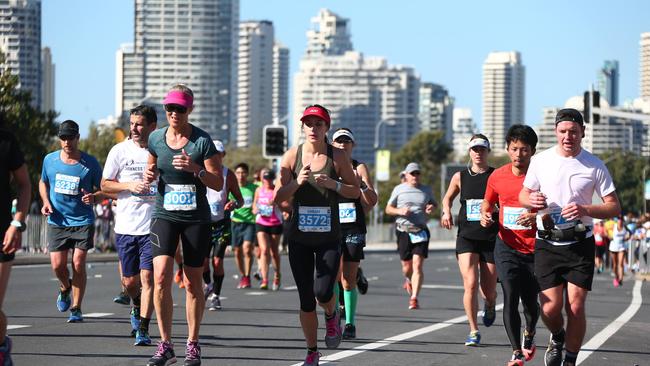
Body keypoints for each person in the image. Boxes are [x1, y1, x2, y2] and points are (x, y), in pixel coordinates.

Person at [519, 108, 620, 366]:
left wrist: (585, 209)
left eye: (573, 132)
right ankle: (557, 336)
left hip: (579, 243)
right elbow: (523, 194)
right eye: (563, 131)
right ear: (556, 132)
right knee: (550, 309)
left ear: (582, 133)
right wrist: (530, 199)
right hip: (547, 242)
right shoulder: (540, 161)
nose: (568, 136)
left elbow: (613, 207)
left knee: (575, 307)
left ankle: (570, 360)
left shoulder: (595, 165)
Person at [143, 85, 224, 366]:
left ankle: (193, 343)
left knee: (192, 283)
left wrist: (195, 169)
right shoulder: (155, 138)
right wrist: (149, 173)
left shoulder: (202, 141)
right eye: (170, 108)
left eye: (179, 108)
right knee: (161, 276)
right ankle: (165, 344)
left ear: (190, 109)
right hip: (164, 214)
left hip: (195, 219)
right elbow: (151, 168)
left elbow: (218, 182)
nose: (174, 113)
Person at [274, 104, 359, 366]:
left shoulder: (338, 157)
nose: (313, 128)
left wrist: (334, 184)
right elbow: (279, 199)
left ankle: (332, 314)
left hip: (328, 237)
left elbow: (355, 192)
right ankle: (312, 351)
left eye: (319, 124)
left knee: (323, 291)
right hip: (299, 237)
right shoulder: (291, 156)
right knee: (306, 299)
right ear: (302, 127)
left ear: (326, 128)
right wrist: (296, 183)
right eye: (309, 123)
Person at [480, 125, 540, 365]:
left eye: (524, 150)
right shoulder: (497, 176)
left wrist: (536, 216)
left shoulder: (541, 176)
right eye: (514, 149)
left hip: (536, 248)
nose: (519, 154)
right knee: (510, 294)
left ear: (533, 151)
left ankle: (530, 332)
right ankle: (516, 352)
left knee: (531, 304)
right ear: (507, 149)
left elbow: (555, 208)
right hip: (506, 245)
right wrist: (486, 216)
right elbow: (487, 204)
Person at [101, 105, 158, 345]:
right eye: (132, 123)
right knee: (130, 282)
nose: (134, 128)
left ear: (152, 126)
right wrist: (129, 186)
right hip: (125, 226)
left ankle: (143, 328)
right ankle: (135, 304)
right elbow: (105, 185)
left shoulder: (161, 150)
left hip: (153, 226)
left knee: (148, 279)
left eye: (139, 124)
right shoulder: (119, 151)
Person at [39, 120, 105, 323]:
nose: (67, 142)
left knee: (78, 263)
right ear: (60, 139)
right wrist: (45, 202)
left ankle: (76, 308)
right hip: (57, 220)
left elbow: (104, 190)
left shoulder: (90, 163)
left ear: (78, 138)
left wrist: (95, 197)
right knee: (58, 266)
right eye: (63, 138)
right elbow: (43, 182)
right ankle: (65, 287)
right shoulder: (50, 160)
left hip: (82, 220)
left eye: (70, 138)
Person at [441, 134, 498, 346]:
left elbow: (507, 200)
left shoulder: (496, 175)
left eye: (482, 149)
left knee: (489, 290)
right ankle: (473, 330)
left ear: (488, 152)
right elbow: (447, 198)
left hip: (491, 237)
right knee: (470, 284)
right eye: (475, 149)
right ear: (469, 152)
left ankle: (490, 304)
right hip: (467, 237)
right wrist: (446, 212)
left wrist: (495, 212)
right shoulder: (460, 177)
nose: (478, 153)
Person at [331, 128, 377, 339]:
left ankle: (350, 323)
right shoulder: (326, 165)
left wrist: (362, 187)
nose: (342, 144)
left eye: (346, 141)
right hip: (330, 227)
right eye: (339, 141)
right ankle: (332, 319)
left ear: (352, 145)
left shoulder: (360, 167)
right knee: (332, 276)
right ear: (332, 144)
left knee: (347, 278)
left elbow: (370, 201)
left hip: (352, 228)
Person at [385, 162, 436, 310]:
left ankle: (414, 298)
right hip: (403, 231)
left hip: (420, 231)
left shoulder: (426, 190)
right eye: (412, 174)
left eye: (417, 173)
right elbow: (388, 209)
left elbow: (433, 204)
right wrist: (399, 211)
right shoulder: (399, 189)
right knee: (407, 267)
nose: (415, 176)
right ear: (406, 175)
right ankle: (408, 279)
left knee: (418, 265)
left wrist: (430, 207)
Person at [0, 127, 30, 364]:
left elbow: (24, 184)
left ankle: (1, 346)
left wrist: (16, 223)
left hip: (2, 233)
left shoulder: (6, 139)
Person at [203, 140, 243, 310]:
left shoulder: (228, 175)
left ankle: (216, 296)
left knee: (217, 262)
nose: (215, 157)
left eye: (218, 154)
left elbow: (240, 200)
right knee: (203, 262)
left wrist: (234, 204)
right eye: (212, 154)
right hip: (203, 224)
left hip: (222, 224)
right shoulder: (201, 172)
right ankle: (208, 284)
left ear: (222, 155)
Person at [252, 168, 283, 290]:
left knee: (274, 252)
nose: (267, 181)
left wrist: (276, 203)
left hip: (275, 223)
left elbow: (284, 204)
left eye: (270, 179)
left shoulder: (277, 190)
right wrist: (255, 209)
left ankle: (277, 274)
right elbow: (255, 203)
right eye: (265, 179)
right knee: (264, 250)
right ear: (262, 179)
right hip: (262, 222)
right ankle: (264, 279)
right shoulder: (259, 190)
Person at [230, 163, 258, 289]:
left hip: (250, 223)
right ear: (235, 174)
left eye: (243, 173)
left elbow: (259, 200)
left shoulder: (253, 188)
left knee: (247, 249)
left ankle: (247, 276)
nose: (241, 175)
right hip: (235, 222)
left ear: (247, 174)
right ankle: (242, 275)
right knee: (237, 252)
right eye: (238, 173)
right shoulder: (232, 188)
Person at [608, 215, 627, 287]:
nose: (620, 220)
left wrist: (627, 238)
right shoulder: (614, 226)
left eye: (621, 219)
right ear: (617, 220)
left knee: (621, 263)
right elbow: (607, 231)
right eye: (619, 219)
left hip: (621, 247)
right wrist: (609, 236)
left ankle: (621, 279)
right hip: (613, 247)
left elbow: (630, 233)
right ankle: (616, 277)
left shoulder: (625, 227)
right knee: (615, 264)